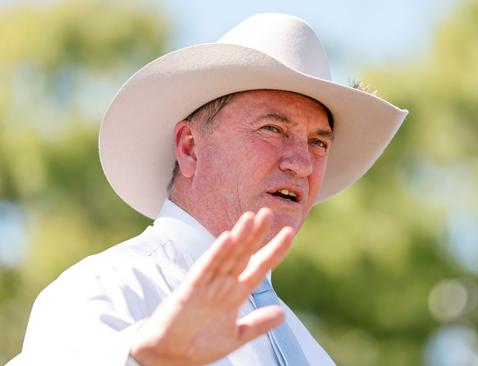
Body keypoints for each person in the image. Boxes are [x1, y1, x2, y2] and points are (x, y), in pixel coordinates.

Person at [13, 13, 407, 365]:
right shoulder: (109, 286)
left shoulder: (310, 351)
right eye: (272, 129)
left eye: (319, 143)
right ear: (189, 147)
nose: (302, 164)